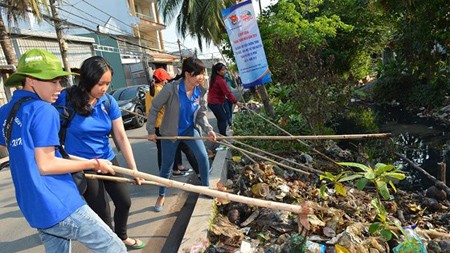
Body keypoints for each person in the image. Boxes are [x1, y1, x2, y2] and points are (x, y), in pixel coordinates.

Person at [0, 49, 126, 252]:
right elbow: (46, 164)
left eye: (60, 81)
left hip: (33, 206)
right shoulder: (43, 110)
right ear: (31, 80)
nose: (59, 88)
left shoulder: (6, 111)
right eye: (53, 82)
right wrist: (94, 164)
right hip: (59, 203)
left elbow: (15, 148)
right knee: (114, 247)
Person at [53, 56, 145, 250]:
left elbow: (120, 136)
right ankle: (110, 246)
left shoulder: (108, 102)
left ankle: (121, 237)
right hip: (83, 164)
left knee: (124, 202)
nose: (104, 88)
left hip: (107, 159)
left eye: (108, 83)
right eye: (100, 83)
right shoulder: (66, 99)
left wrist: (134, 169)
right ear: (87, 79)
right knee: (102, 212)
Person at [147, 57, 216, 212]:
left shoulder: (200, 91)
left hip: (189, 129)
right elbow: (154, 108)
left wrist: (209, 129)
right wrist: (151, 130)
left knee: (203, 156)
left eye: (202, 73)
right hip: (170, 133)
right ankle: (161, 195)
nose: (201, 77)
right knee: (167, 166)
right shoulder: (171, 88)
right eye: (197, 74)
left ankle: (205, 188)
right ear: (187, 74)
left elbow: (201, 115)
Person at [145, 68, 198, 177]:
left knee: (163, 150)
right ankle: (199, 172)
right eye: (166, 79)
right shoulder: (162, 91)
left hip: (156, 126)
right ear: (163, 80)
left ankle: (170, 171)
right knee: (186, 147)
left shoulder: (148, 92)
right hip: (167, 126)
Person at [207, 62, 240, 136]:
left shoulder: (215, 78)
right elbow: (227, 93)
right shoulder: (220, 80)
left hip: (213, 102)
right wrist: (236, 102)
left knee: (221, 118)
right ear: (218, 71)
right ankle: (222, 135)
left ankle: (222, 135)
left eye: (225, 69)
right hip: (215, 103)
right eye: (222, 70)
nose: (225, 71)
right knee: (223, 119)